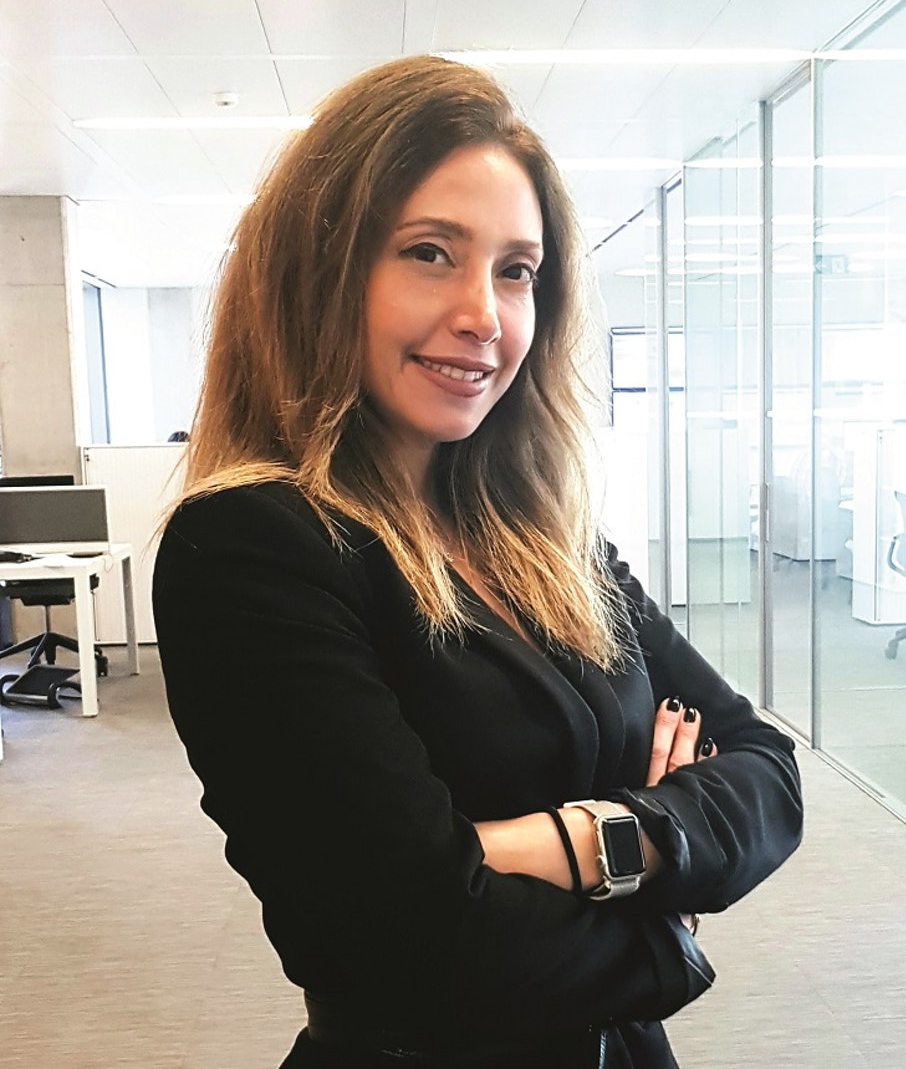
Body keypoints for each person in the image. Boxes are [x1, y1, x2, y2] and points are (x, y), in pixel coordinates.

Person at [152, 54, 802, 1069]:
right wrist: (666, 904)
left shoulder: (544, 537)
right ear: (321, 270)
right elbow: (412, 938)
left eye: (516, 270)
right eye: (426, 253)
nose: (484, 315)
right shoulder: (250, 548)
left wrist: (569, 843)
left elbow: (766, 772)